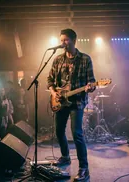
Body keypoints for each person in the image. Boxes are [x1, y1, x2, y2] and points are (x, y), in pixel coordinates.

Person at [47, 28, 96, 181]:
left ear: (74, 41)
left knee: (77, 134)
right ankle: (65, 156)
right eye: (61, 40)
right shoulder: (57, 60)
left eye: (66, 40)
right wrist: (54, 93)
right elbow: (49, 80)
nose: (63, 43)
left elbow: (92, 81)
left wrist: (91, 86)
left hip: (77, 101)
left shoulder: (85, 59)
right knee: (59, 131)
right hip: (60, 101)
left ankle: (84, 168)